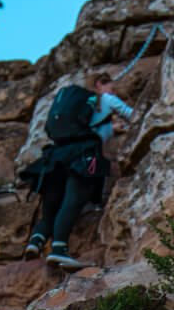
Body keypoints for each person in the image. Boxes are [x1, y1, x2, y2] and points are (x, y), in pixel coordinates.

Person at [22, 75, 134, 270]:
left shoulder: (76, 112)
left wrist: (113, 128)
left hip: (56, 157)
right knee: (73, 201)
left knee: (51, 206)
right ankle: (59, 251)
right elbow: (131, 115)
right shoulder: (105, 99)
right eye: (111, 88)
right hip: (83, 156)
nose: (113, 92)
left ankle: (36, 241)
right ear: (99, 85)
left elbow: (97, 128)